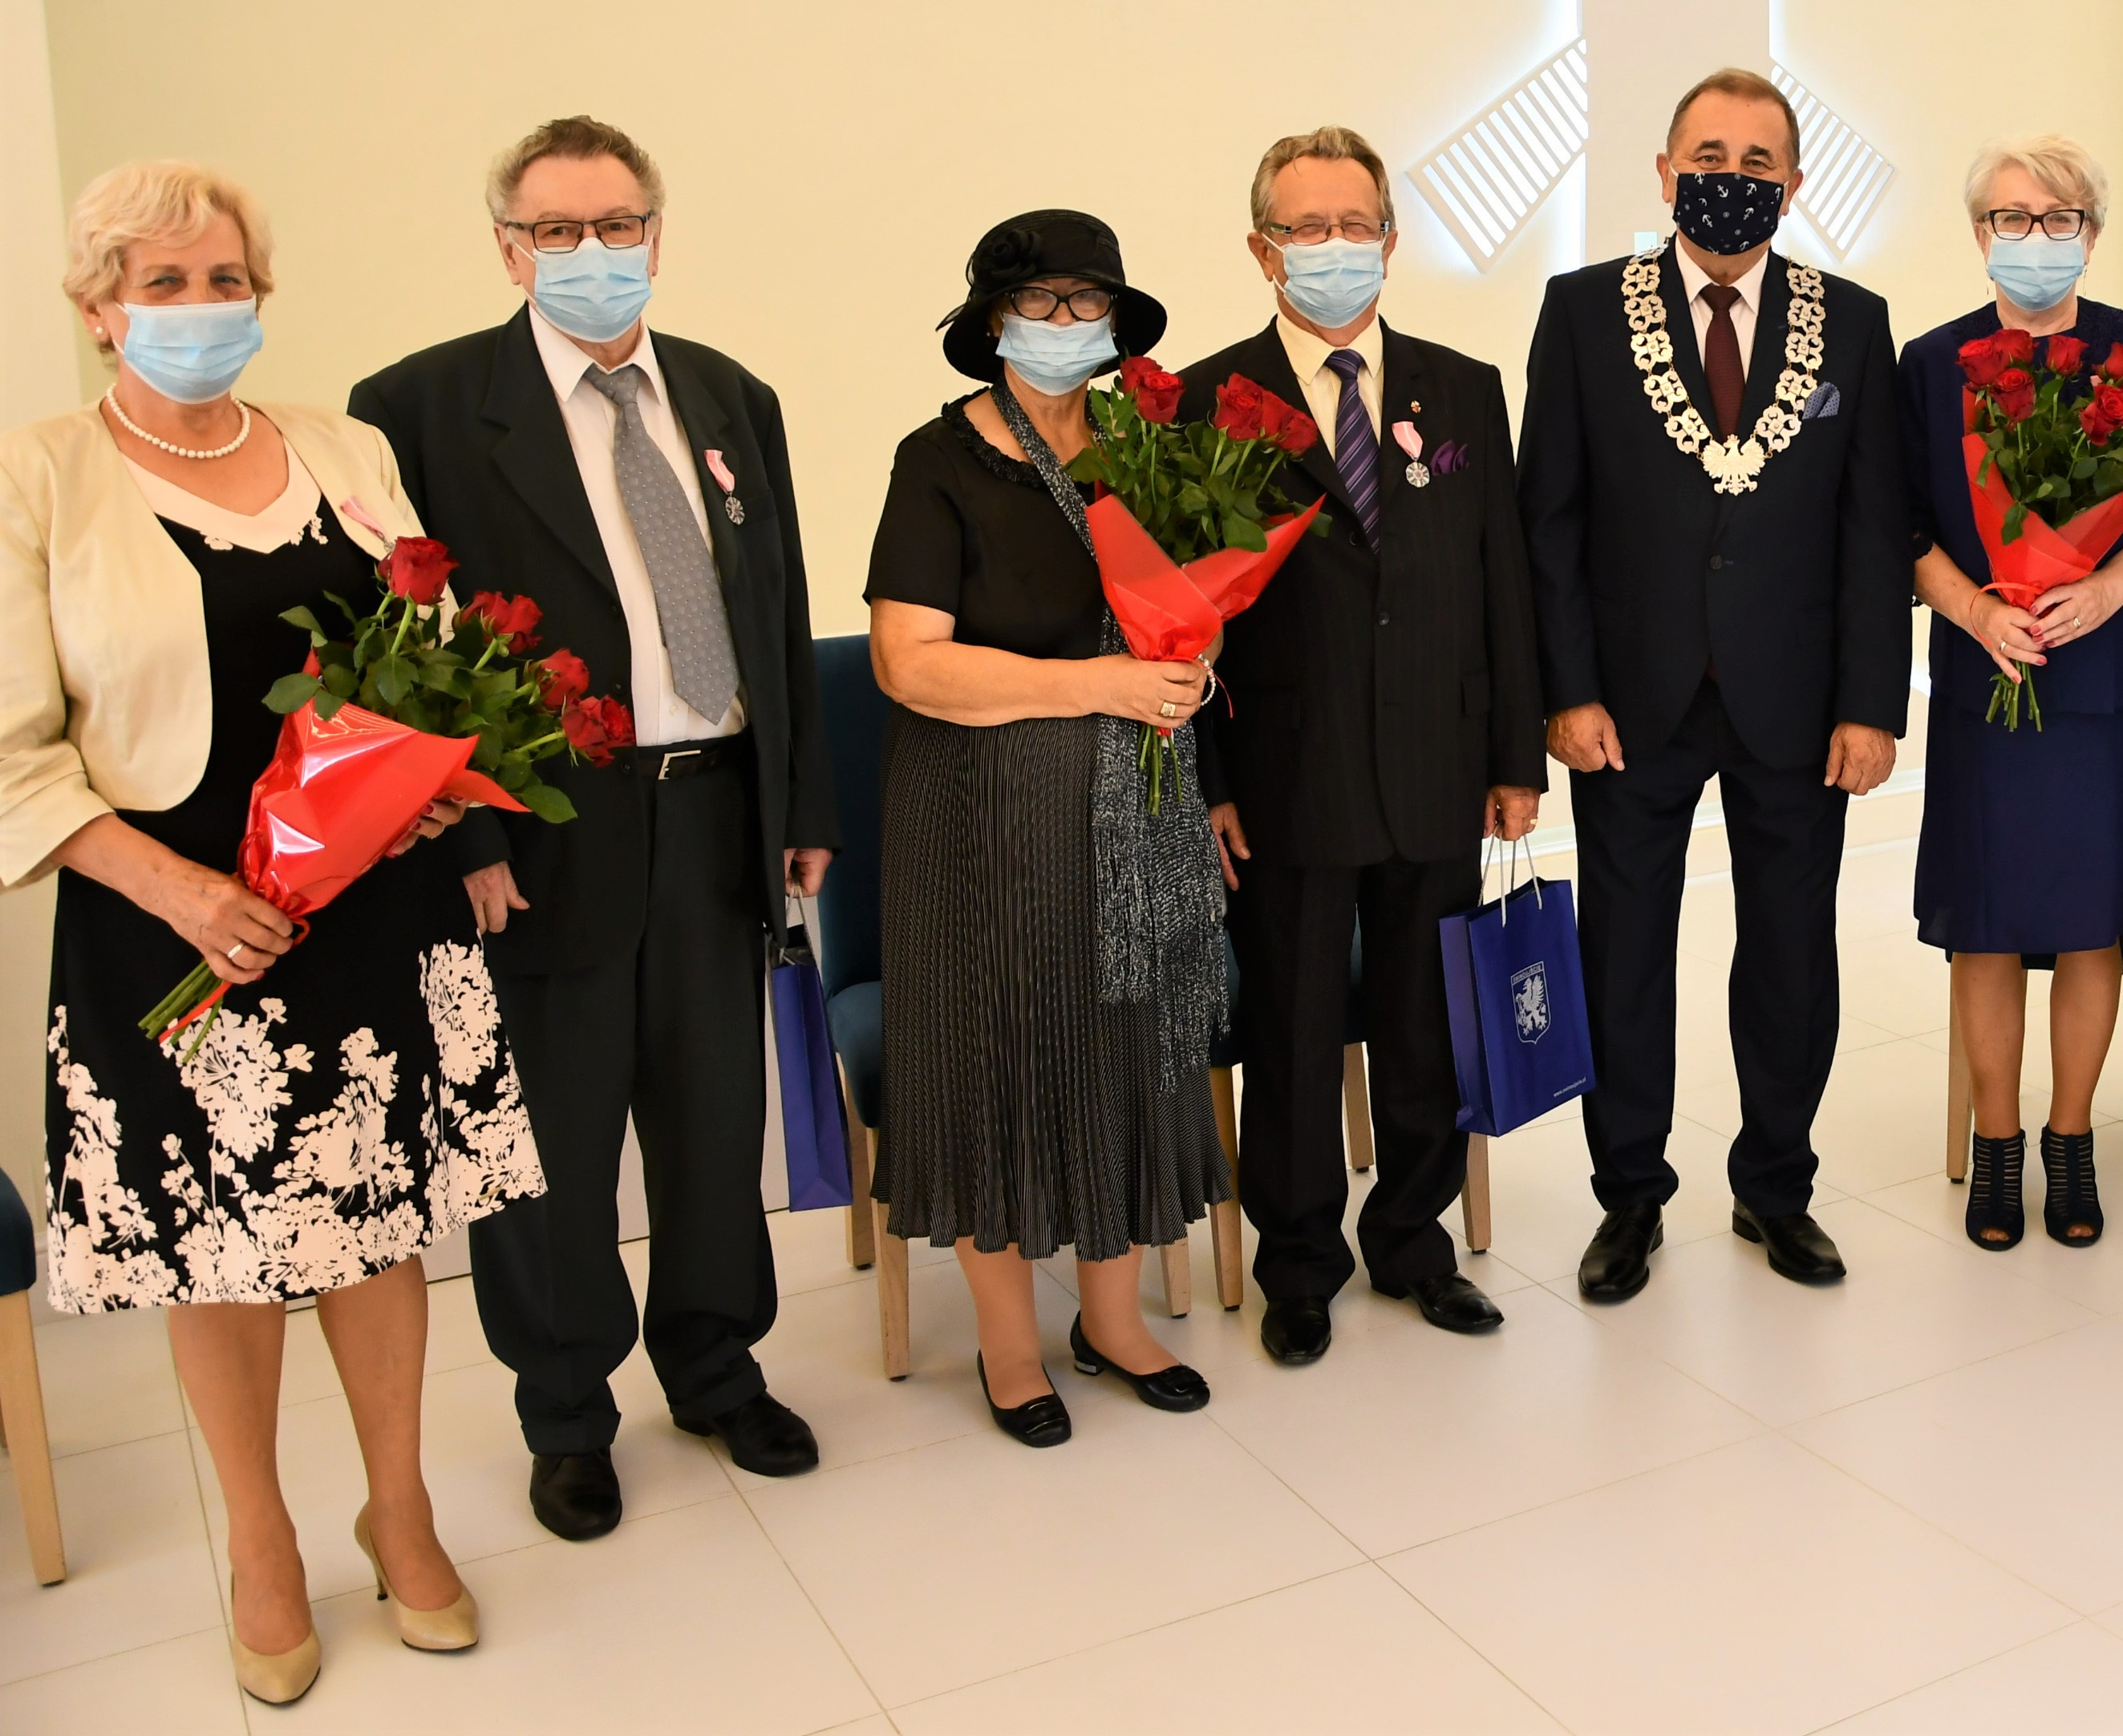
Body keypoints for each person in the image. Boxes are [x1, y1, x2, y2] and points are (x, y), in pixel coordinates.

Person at [3, 163, 540, 1704]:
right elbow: (14, 755)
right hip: (175, 925)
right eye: (161, 284)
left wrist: (433, 793)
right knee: (219, 1254)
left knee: (378, 1223)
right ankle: (259, 1536)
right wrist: (182, 892)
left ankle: (400, 1508)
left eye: (223, 279)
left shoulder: (343, 448)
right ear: (99, 310)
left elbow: (431, 652)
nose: (200, 306)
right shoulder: (38, 474)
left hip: (370, 905)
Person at [349, 115, 837, 1539]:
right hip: (536, 842)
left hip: (717, 813)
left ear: (656, 233)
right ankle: (566, 1413)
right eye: (557, 230)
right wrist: (463, 837)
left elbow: (778, 608)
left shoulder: (730, 396)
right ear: (509, 249)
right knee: (549, 1148)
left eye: (617, 225)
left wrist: (798, 798)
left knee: (712, 1121)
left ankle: (716, 1365)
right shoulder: (422, 409)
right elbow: (399, 653)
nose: (593, 252)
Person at [1517, 65, 1911, 1297]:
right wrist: (1565, 689)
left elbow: (1873, 530)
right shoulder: (1582, 311)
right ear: (1663, 171)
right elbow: (1550, 522)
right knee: (1623, 954)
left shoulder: (1854, 322)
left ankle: (1776, 1189)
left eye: (1756, 162)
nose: (1729, 179)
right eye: (1708, 157)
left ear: (1792, 184)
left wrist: (1872, 704)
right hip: (1629, 703)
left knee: (1791, 955)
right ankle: (1630, 1197)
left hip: (1799, 703)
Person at [862, 210, 1226, 1446]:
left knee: (1129, 1052)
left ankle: (1113, 1324)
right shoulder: (938, 461)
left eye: (1088, 301)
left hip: (1133, 809)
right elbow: (908, 663)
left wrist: (1184, 667)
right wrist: (1101, 685)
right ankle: (1010, 1348)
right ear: (993, 322)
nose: (1065, 323)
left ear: (1118, 321)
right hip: (981, 823)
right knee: (999, 1064)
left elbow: (1188, 607)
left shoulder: (1151, 449)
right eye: (1040, 301)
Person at [1185, 129, 1545, 1365]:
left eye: (1353, 224)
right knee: (1289, 1028)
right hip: (1285, 771)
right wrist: (1211, 782)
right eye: (1305, 228)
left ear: (1390, 240)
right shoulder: (1207, 402)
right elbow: (1184, 617)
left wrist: (1515, 758)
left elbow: (1502, 585)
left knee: (1424, 1019)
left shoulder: (1463, 388)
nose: (1331, 247)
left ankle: (1413, 1242)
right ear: (1262, 249)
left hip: (1440, 763)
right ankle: (1297, 1263)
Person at [1902, 136, 2123, 1249]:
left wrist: (2111, 587)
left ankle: (2070, 1139)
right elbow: (1901, 526)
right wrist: (1977, 611)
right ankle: (1997, 1143)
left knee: (2091, 926)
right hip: (1986, 679)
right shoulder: (1930, 363)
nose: (2036, 237)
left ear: (2092, 230)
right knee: (1984, 926)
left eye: (2059, 217)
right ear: (1979, 232)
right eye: (2012, 218)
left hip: (2103, 684)